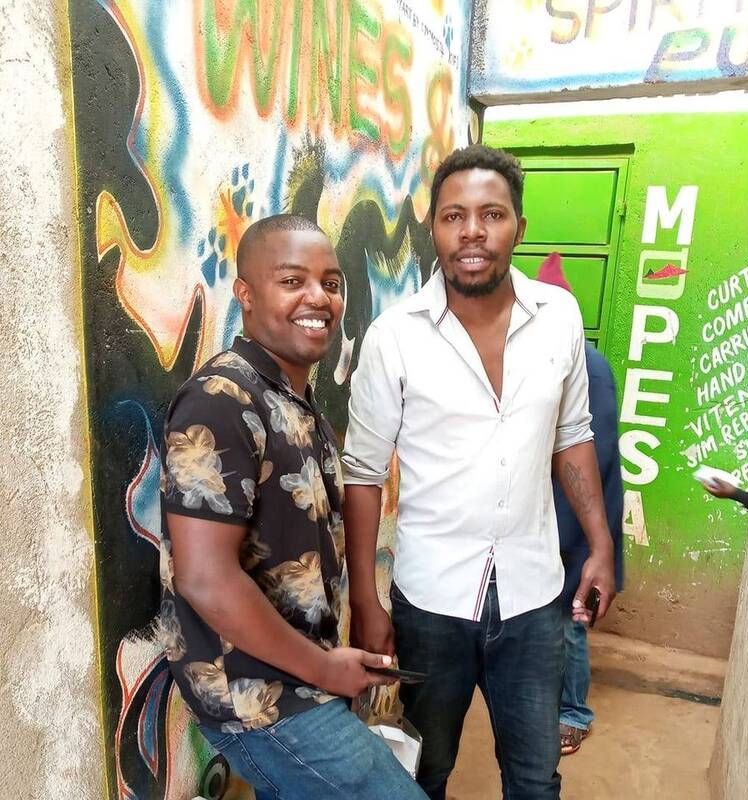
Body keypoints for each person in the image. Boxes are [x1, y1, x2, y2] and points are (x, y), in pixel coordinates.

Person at [342, 145, 617, 800]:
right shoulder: (394, 336)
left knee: (535, 777)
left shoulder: (558, 317)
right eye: (454, 216)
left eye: (492, 214)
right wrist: (365, 602)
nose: (472, 231)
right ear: (433, 228)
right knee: (422, 771)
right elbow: (363, 473)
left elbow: (573, 437)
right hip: (430, 601)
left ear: (518, 226)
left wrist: (601, 545)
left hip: (535, 597)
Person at [158, 214, 427, 800]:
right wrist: (325, 669)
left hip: (300, 679)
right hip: (260, 700)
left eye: (331, 283)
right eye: (291, 280)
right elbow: (204, 577)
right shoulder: (222, 401)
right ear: (246, 294)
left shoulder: (291, 396)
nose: (319, 298)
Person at [536, 254, 624, 757]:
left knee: (570, 618)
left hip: (573, 518)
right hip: (556, 514)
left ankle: (573, 713)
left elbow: (595, 452)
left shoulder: (589, 366)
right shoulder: (554, 359)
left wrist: (577, 530)